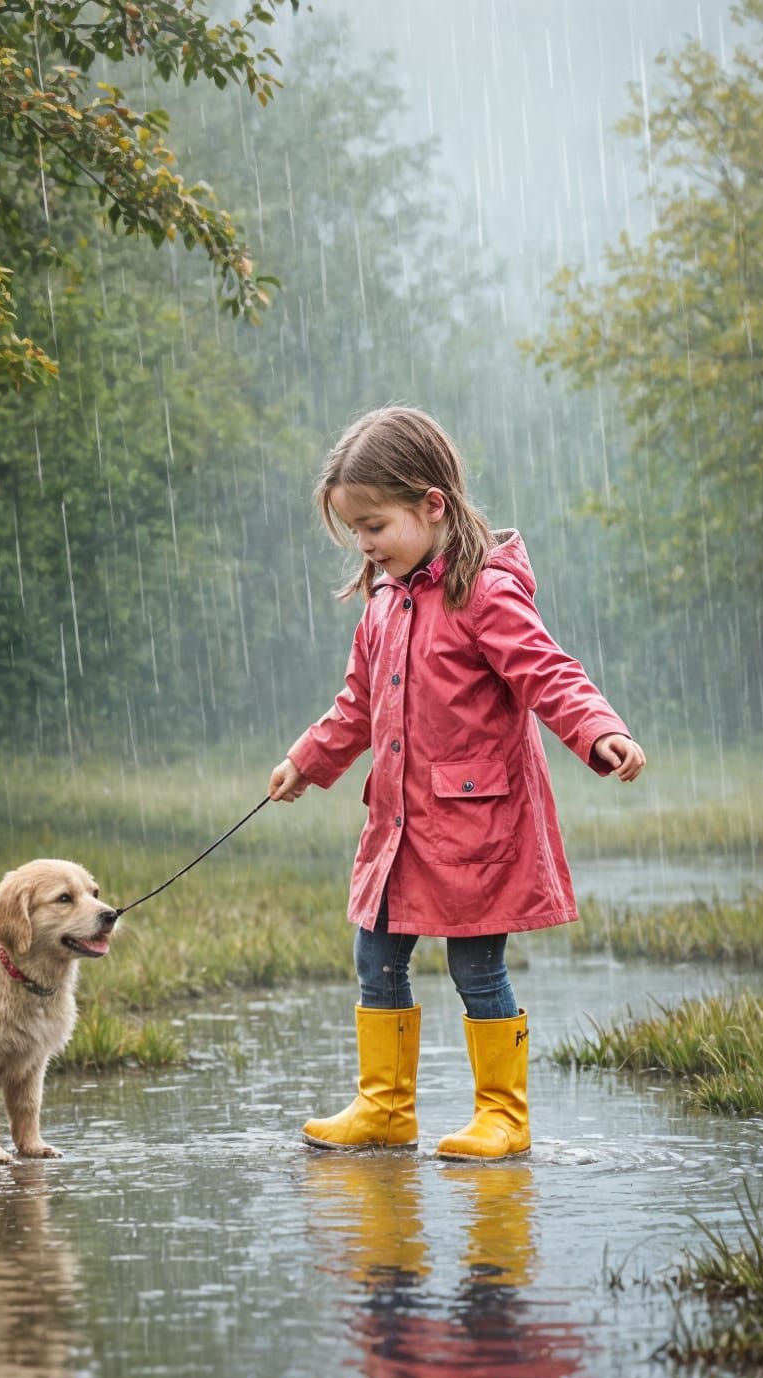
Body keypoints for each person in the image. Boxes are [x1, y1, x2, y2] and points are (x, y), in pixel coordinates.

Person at [269, 406, 645, 1159]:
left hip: (477, 824)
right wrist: (309, 760)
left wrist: (599, 729)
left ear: (431, 505)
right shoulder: (381, 603)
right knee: (375, 957)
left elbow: (548, 672)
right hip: (399, 827)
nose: (366, 546)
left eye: (374, 527)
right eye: (356, 533)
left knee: (477, 966)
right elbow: (358, 707)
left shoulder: (485, 593)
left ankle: (503, 1118)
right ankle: (384, 1109)